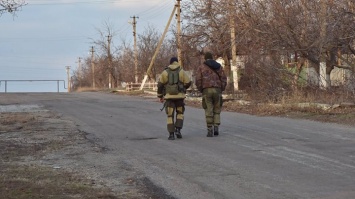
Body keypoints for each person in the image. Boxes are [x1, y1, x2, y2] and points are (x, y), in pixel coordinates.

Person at [157, 57, 192, 140]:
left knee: (170, 115)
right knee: (180, 113)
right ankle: (178, 130)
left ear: (170, 63)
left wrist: (160, 96)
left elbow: (160, 85)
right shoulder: (181, 71)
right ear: (176, 62)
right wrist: (183, 89)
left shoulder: (165, 72)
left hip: (169, 98)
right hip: (180, 97)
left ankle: (171, 134)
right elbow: (188, 82)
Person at [195, 52, 227, 137]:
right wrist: (222, 88)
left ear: (205, 58)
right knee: (217, 108)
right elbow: (224, 78)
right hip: (217, 90)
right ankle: (216, 126)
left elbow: (198, 80)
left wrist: (201, 89)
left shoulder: (201, 67)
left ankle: (210, 129)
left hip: (207, 90)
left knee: (208, 108)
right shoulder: (219, 67)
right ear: (212, 58)